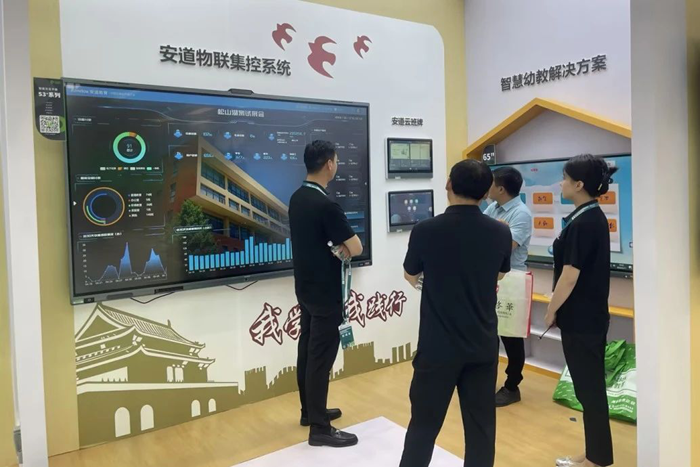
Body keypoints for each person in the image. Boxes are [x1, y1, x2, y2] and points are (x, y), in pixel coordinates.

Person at [399, 160, 512, 467]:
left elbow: (410, 274)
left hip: (438, 346)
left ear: (448, 184)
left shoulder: (425, 230)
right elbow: (500, 275)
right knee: (481, 429)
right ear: (486, 193)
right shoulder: (500, 232)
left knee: (423, 426)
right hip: (482, 344)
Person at [289, 140, 363, 448]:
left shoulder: (297, 197)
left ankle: (310, 411)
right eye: (337, 160)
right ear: (329, 164)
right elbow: (356, 247)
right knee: (320, 358)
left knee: (308, 350)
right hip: (326, 293)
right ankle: (319, 428)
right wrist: (342, 247)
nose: (337, 165)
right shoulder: (326, 205)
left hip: (305, 289)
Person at [545, 154, 616, 467]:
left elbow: (570, 276)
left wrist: (551, 310)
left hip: (583, 320)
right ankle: (593, 454)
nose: (560, 184)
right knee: (589, 391)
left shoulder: (586, 222)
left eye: (564, 178)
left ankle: (597, 459)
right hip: (585, 318)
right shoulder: (587, 217)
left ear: (578, 184)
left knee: (590, 391)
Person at [484, 167, 533, 407]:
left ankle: (512, 386)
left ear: (501, 189)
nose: (488, 187)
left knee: (511, 337)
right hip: (490, 278)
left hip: (512, 281)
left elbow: (505, 246)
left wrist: (491, 233)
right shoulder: (493, 208)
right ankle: (486, 382)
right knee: (489, 334)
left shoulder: (521, 213)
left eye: (491, 183)